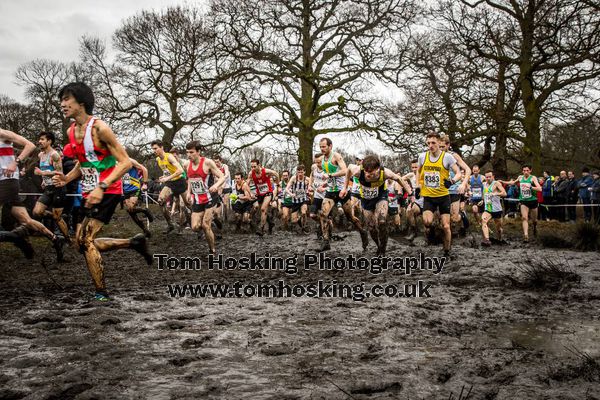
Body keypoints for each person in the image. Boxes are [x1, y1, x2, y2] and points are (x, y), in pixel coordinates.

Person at [54, 82, 151, 301]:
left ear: (82, 102)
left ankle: (101, 293)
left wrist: (102, 186)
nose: (63, 104)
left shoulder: (100, 128)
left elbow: (125, 163)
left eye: (67, 99)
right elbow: (84, 163)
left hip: (109, 189)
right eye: (61, 100)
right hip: (91, 191)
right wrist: (66, 178)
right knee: (80, 243)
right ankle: (133, 242)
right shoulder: (71, 131)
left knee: (86, 240)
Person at [0, 128, 56, 258]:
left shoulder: (3, 134)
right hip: (4, 182)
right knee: (25, 219)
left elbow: (29, 145)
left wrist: (15, 162)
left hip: (7, 181)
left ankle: (15, 237)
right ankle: (55, 239)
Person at [342, 155, 412, 255]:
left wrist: (410, 192)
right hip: (366, 199)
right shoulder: (358, 171)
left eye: (370, 172)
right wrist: (344, 188)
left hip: (381, 197)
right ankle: (379, 245)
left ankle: (383, 250)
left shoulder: (386, 172)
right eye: (366, 171)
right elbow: (348, 168)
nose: (367, 174)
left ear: (378, 169)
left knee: (382, 222)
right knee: (371, 227)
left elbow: (398, 178)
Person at [318, 138, 368, 252]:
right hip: (331, 191)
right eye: (320, 146)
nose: (322, 149)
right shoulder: (322, 159)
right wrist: (324, 184)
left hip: (342, 191)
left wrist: (330, 175)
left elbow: (345, 171)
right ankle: (326, 241)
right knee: (323, 214)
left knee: (350, 217)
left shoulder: (336, 156)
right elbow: (329, 177)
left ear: (330, 146)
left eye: (324, 146)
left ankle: (362, 232)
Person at [418, 131, 462, 257]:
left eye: (433, 143)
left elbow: (458, 173)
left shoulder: (447, 157)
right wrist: (418, 185)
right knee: (427, 222)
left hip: (443, 197)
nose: (430, 145)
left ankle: (447, 251)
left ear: (439, 143)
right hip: (429, 197)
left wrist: (452, 181)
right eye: (428, 143)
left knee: (446, 226)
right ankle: (433, 235)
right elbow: (418, 172)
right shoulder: (422, 156)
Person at [185, 141, 225, 254]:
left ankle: (212, 250)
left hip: (210, 198)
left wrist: (216, 185)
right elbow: (190, 179)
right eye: (187, 152)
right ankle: (210, 229)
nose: (189, 155)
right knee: (194, 227)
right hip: (198, 199)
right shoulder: (187, 165)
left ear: (198, 152)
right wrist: (188, 192)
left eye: (191, 152)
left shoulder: (207, 163)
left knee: (205, 225)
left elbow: (222, 177)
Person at [32, 131, 70, 240]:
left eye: (42, 139)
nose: (40, 141)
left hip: (58, 188)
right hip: (48, 188)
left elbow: (59, 173)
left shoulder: (54, 155)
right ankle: (57, 216)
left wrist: (42, 173)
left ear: (49, 141)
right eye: (39, 139)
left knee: (58, 219)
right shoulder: (41, 155)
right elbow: (46, 169)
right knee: (37, 212)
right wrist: (44, 180)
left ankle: (68, 239)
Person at [151, 140, 188, 233]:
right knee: (160, 200)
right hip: (170, 183)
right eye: (152, 149)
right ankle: (170, 224)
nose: (154, 151)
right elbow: (168, 171)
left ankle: (196, 224)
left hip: (180, 182)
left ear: (161, 147)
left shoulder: (169, 156)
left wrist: (167, 178)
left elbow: (180, 170)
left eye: (156, 148)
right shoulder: (158, 159)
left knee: (187, 205)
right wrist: (164, 176)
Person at [500, 165, 542, 242]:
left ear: (530, 170)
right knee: (524, 218)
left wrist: (531, 187)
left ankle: (535, 227)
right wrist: (503, 182)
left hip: (533, 200)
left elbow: (539, 189)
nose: (525, 172)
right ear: (522, 171)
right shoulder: (520, 177)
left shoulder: (533, 178)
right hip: (523, 200)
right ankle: (526, 235)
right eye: (524, 170)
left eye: (527, 170)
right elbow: (512, 182)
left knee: (534, 220)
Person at [439, 135, 471, 236]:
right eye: (439, 147)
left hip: (453, 189)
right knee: (441, 217)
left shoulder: (454, 156)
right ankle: (446, 236)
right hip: (440, 190)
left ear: (448, 145)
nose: (440, 149)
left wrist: (463, 184)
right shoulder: (434, 156)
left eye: (442, 147)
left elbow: (467, 169)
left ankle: (462, 216)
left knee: (454, 217)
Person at [122, 157, 153, 237]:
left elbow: (144, 169)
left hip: (134, 188)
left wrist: (145, 183)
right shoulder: (116, 163)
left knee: (132, 207)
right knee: (130, 211)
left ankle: (145, 210)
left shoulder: (130, 160)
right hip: (125, 189)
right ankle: (145, 230)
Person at [248, 159, 279, 235]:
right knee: (263, 211)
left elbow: (276, 173)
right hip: (260, 194)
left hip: (268, 193)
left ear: (259, 165)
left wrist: (278, 184)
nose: (253, 168)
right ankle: (270, 223)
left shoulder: (266, 171)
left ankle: (261, 228)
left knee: (263, 209)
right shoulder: (251, 173)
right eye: (251, 167)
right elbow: (247, 183)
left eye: (254, 166)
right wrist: (250, 193)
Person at [480, 170, 506, 246]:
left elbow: (504, 193)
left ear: (493, 177)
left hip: (497, 209)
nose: (488, 178)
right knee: (483, 221)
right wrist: (482, 200)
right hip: (488, 209)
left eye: (489, 177)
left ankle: (500, 239)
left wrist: (495, 193)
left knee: (499, 229)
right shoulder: (484, 184)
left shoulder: (496, 183)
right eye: (486, 177)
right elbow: (485, 194)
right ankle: (487, 240)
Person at [283, 165, 310, 233]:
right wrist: (291, 194)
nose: (300, 174)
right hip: (295, 201)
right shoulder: (294, 178)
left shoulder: (307, 179)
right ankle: (299, 221)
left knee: (304, 213)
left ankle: (304, 227)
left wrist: (310, 191)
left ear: (304, 172)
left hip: (303, 200)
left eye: (301, 172)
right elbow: (286, 189)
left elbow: (312, 187)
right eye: (298, 172)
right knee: (294, 221)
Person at [403, 160, 424, 241]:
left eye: (416, 167)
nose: (414, 169)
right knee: (409, 211)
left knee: (427, 224)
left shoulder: (425, 173)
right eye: (413, 167)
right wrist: (407, 188)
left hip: (427, 199)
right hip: (417, 199)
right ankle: (413, 231)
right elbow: (400, 179)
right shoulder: (411, 175)